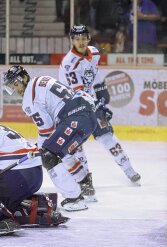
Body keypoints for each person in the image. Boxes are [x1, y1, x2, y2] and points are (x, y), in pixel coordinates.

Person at [59, 24, 141, 200]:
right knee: (76, 147)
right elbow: (78, 94)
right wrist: (98, 107)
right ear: (71, 40)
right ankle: (85, 184)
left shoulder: (94, 52)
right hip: (73, 108)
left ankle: (129, 170)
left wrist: (102, 94)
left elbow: (94, 76)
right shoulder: (69, 64)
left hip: (90, 103)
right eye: (76, 39)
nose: (80, 42)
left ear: (88, 38)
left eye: (83, 38)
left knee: (107, 137)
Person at [3, 65, 97, 211]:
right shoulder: (42, 79)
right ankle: (85, 186)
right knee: (59, 151)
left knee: (48, 156)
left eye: (16, 84)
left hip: (75, 117)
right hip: (86, 116)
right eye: (12, 86)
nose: (16, 89)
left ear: (25, 78)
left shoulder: (29, 98)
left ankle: (74, 198)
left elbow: (46, 129)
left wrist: (38, 149)